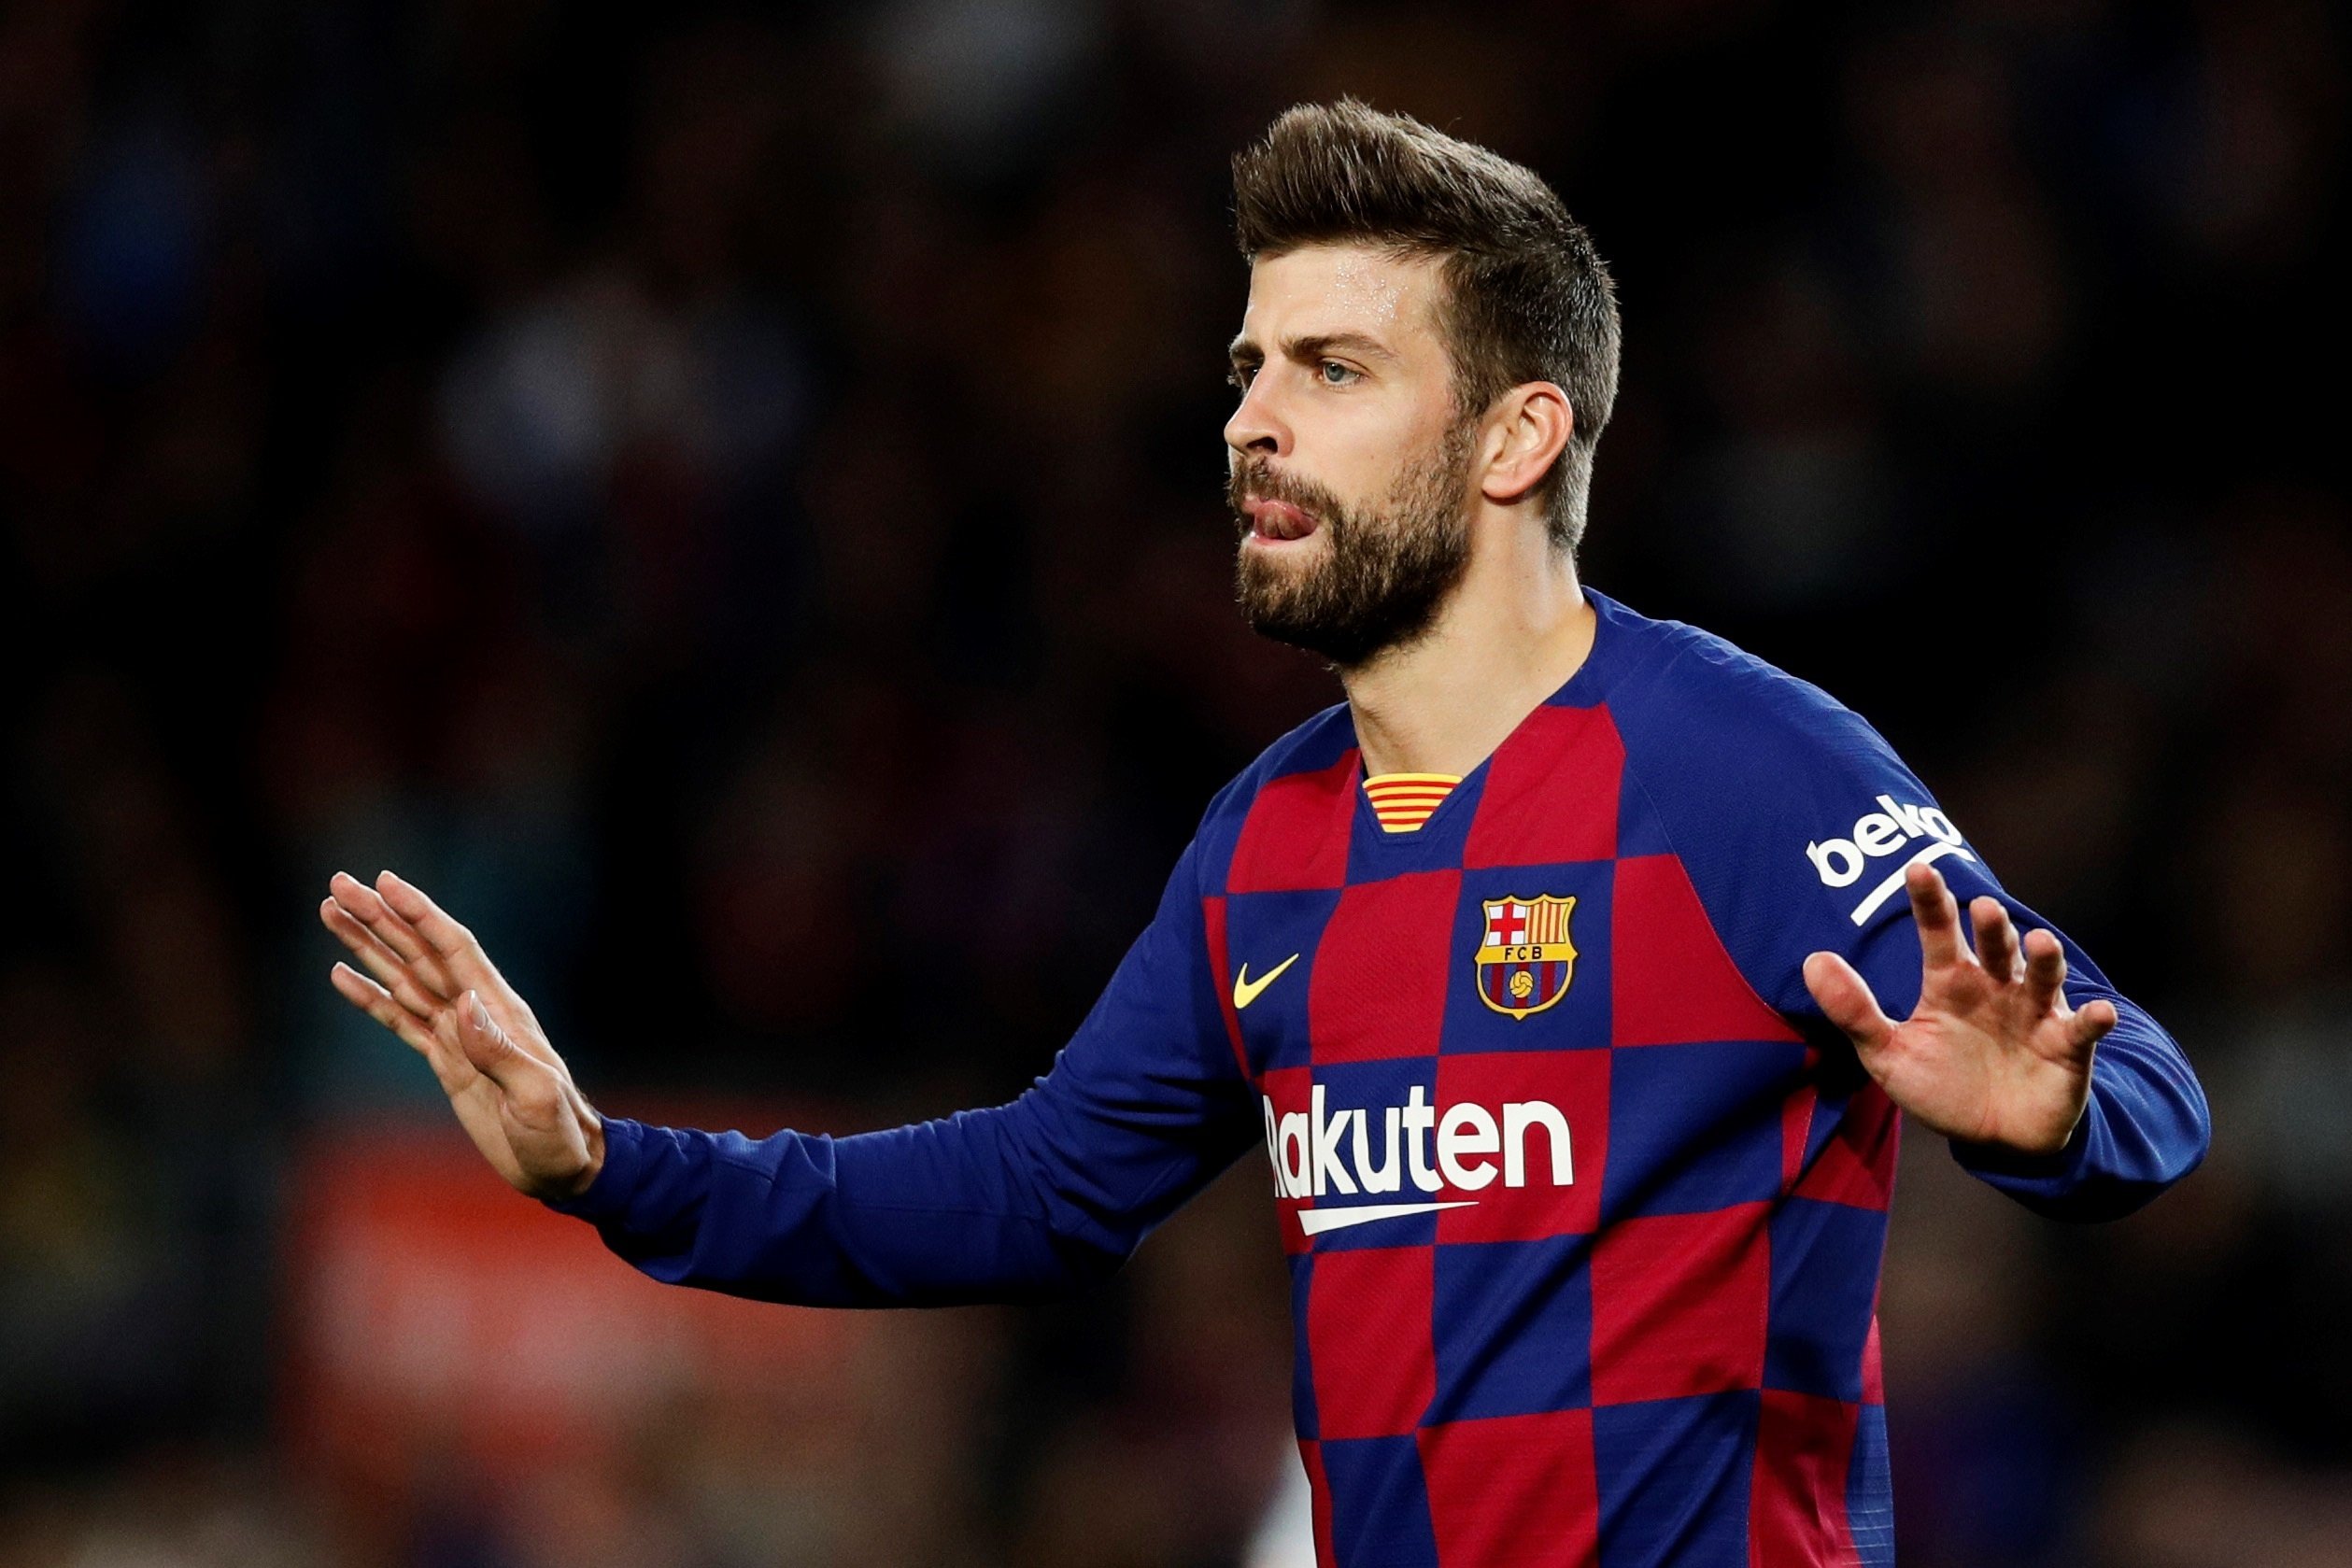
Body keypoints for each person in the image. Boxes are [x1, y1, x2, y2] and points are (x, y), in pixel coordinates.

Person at [319, 100, 2209, 1566]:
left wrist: (2050, 1121)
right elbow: (1036, 1189)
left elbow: (2141, 1094)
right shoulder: (1268, 843)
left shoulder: (1739, 768)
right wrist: (607, 1169)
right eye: (1248, 368)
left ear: (1513, 439)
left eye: (1333, 370)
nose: (1250, 424)